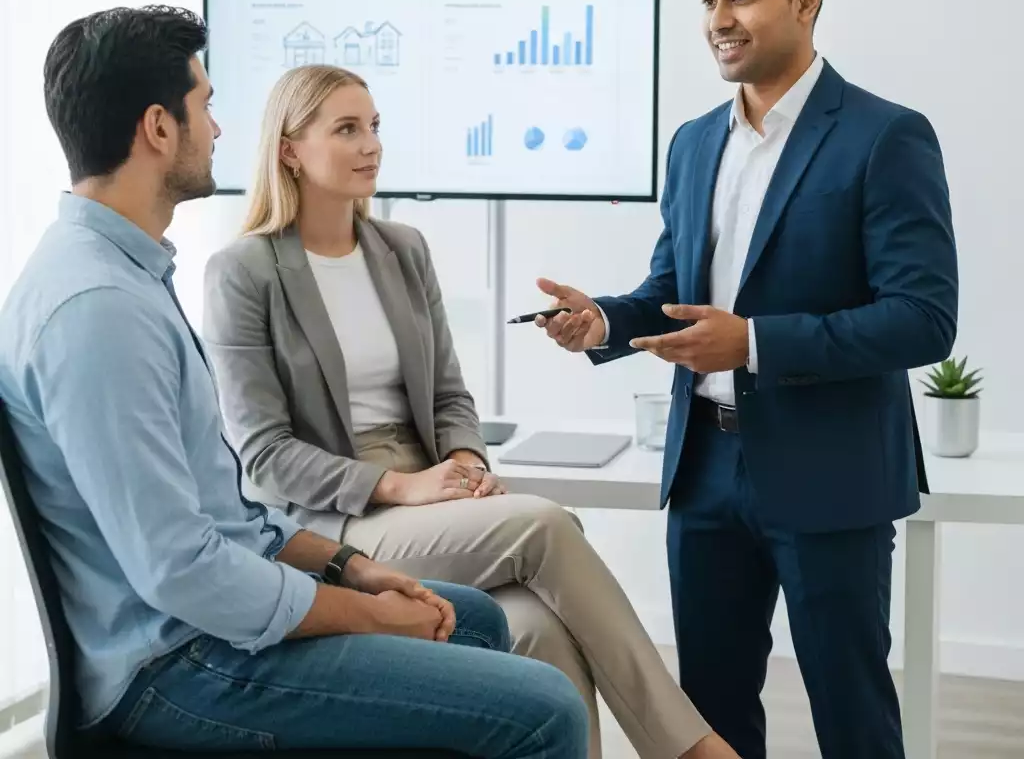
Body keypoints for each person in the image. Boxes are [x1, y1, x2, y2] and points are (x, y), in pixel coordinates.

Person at [0, 6, 590, 758]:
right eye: (205, 106)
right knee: (545, 709)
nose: (218, 129)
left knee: (475, 619)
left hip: (203, 626)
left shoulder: (126, 274)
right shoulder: (98, 310)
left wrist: (354, 569)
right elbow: (183, 571)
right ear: (158, 128)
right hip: (179, 665)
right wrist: (365, 612)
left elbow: (226, 515)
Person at [203, 64, 740, 759]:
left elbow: (449, 394)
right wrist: (401, 486)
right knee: (546, 524)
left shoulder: (402, 250)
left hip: (433, 492)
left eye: (374, 126)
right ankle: (691, 747)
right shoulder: (243, 272)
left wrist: (465, 461)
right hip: (335, 517)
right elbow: (264, 455)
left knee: (539, 631)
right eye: (346, 129)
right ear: (289, 150)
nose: (371, 144)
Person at [535, 0, 958, 759]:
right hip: (704, 471)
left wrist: (755, 344)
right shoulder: (694, 142)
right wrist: (603, 320)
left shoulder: (885, 137)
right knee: (711, 712)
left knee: (852, 712)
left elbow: (923, 319)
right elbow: (674, 290)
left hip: (830, 470)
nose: (718, 20)